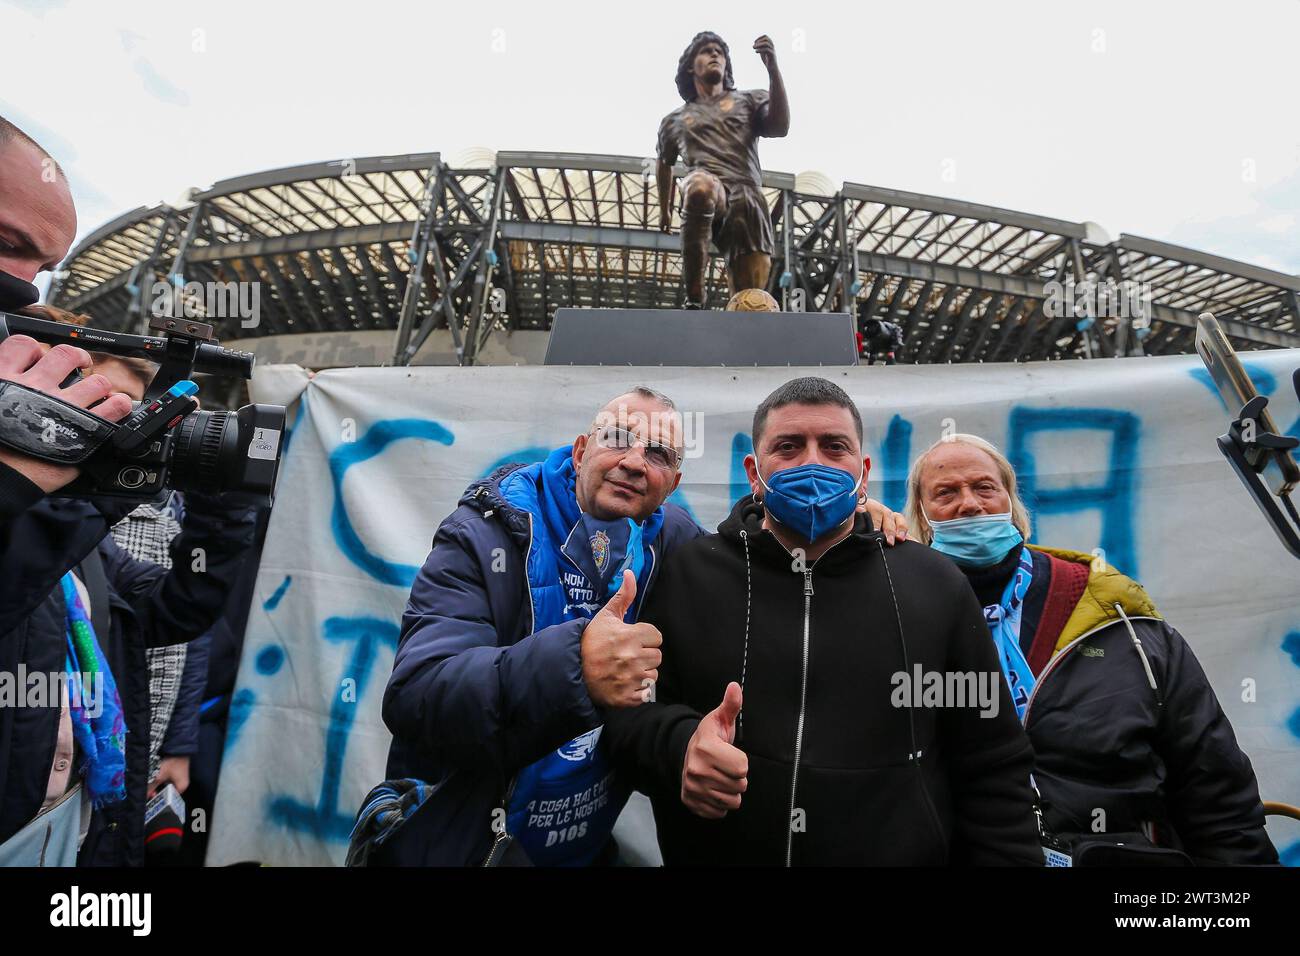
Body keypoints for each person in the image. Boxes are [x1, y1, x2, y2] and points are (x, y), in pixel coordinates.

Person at [604, 377, 1043, 865]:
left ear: (863, 472)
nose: (812, 463)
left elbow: (992, 763)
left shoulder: (934, 585)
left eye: (834, 448)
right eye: (788, 447)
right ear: (755, 471)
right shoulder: (690, 573)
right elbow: (626, 720)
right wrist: (681, 747)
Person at [0, 116, 259, 866]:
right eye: (12, 244)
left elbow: (181, 607)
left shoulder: (76, 541)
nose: (24, 282)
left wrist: (221, 500)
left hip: (82, 828)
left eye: (43, 265)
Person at [356, 387, 703, 866]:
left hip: (581, 851)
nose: (635, 462)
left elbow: (742, 565)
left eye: (658, 453)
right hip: (463, 847)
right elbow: (417, 693)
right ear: (581, 451)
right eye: (618, 438)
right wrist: (576, 666)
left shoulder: (672, 540)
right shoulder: (483, 533)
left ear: (673, 481)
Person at [900, 433, 1278, 864]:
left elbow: (1215, 788)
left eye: (985, 487)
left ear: (1010, 502)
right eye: (945, 493)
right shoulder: (895, 615)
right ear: (922, 518)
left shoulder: (1118, 619)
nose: (969, 504)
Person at [657, 31, 789, 308]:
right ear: (691, 66)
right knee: (699, 187)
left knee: (749, 300)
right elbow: (664, 162)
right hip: (711, 189)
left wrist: (773, 69)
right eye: (706, 50)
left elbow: (779, 128)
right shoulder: (674, 121)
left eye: (720, 51)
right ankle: (695, 297)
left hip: (747, 200)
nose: (715, 54)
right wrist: (665, 208)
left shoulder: (749, 100)